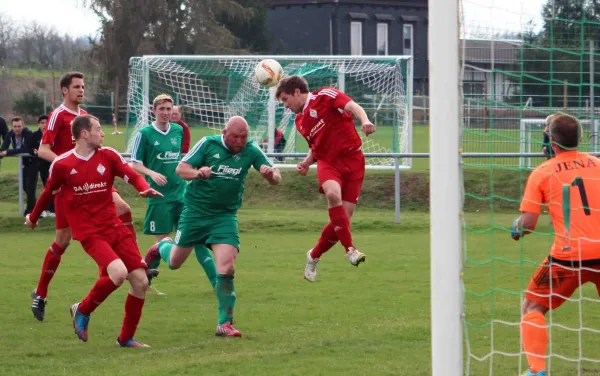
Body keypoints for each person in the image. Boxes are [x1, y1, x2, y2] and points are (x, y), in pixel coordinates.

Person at [25, 114, 162, 347]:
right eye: (99, 129)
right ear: (84, 133)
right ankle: (82, 309)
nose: (103, 133)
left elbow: (130, 174)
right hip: (89, 232)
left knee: (141, 282)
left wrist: (144, 187)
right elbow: (49, 192)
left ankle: (126, 338)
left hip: (113, 226)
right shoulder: (63, 164)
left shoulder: (108, 155)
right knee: (118, 273)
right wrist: (34, 217)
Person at [143, 116, 281, 337]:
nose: (240, 141)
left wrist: (270, 174)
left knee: (227, 267)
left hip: (224, 216)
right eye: (236, 136)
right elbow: (181, 169)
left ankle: (224, 323)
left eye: (244, 137)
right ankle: (160, 247)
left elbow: (277, 177)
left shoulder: (251, 150)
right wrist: (197, 173)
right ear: (225, 133)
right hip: (196, 212)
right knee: (175, 262)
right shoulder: (208, 143)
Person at [30, 71, 136, 322]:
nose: (81, 91)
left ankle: (133, 263)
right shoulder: (58, 116)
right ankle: (41, 292)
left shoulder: (86, 118)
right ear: (65, 90)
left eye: (83, 87)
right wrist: (69, 167)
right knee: (62, 241)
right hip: (71, 188)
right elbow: (44, 150)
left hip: (95, 181)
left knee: (123, 208)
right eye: (76, 87)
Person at [511, 113, 600, 376]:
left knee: (532, 307)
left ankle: (537, 371)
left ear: (550, 140)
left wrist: (515, 228)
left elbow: (528, 224)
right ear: (581, 138)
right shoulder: (598, 164)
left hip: (568, 258)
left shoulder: (542, 172)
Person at [275, 76, 375, 282]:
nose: (285, 106)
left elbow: (352, 106)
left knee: (342, 221)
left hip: (354, 160)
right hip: (329, 163)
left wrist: (365, 120)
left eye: (285, 100)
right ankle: (351, 250)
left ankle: (313, 255)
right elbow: (317, 148)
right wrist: (306, 162)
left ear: (296, 92)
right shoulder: (300, 121)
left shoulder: (326, 96)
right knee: (332, 193)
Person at [131, 94, 217, 292]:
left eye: (169, 109)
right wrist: (152, 173)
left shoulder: (178, 131)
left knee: (198, 239)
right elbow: (134, 163)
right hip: (159, 196)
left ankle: (217, 281)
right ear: (154, 111)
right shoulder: (144, 134)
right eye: (162, 109)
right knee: (163, 243)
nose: (166, 113)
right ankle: (145, 278)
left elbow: (183, 159)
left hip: (182, 194)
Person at [1, 117, 38, 215]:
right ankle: (37, 208)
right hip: (22, 163)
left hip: (33, 163)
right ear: (12, 127)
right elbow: (3, 148)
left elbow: (26, 149)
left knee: (30, 187)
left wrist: (8, 152)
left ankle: (30, 212)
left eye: (19, 126)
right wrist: (3, 153)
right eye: (15, 126)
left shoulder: (29, 134)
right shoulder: (10, 134)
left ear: (23, 126)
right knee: (24, 187)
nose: (17, 129)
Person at [31, 115, 55, 217]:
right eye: (42, 123)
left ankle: (52, 209)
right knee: (46, 187)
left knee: (53, 187)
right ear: (38, 124)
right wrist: (34, 151)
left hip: (53, 164)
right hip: (41, 164)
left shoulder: (54, 134)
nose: (45, 125)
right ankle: (43, 210)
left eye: (46, 122)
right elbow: (29, 146)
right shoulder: (35, 135)